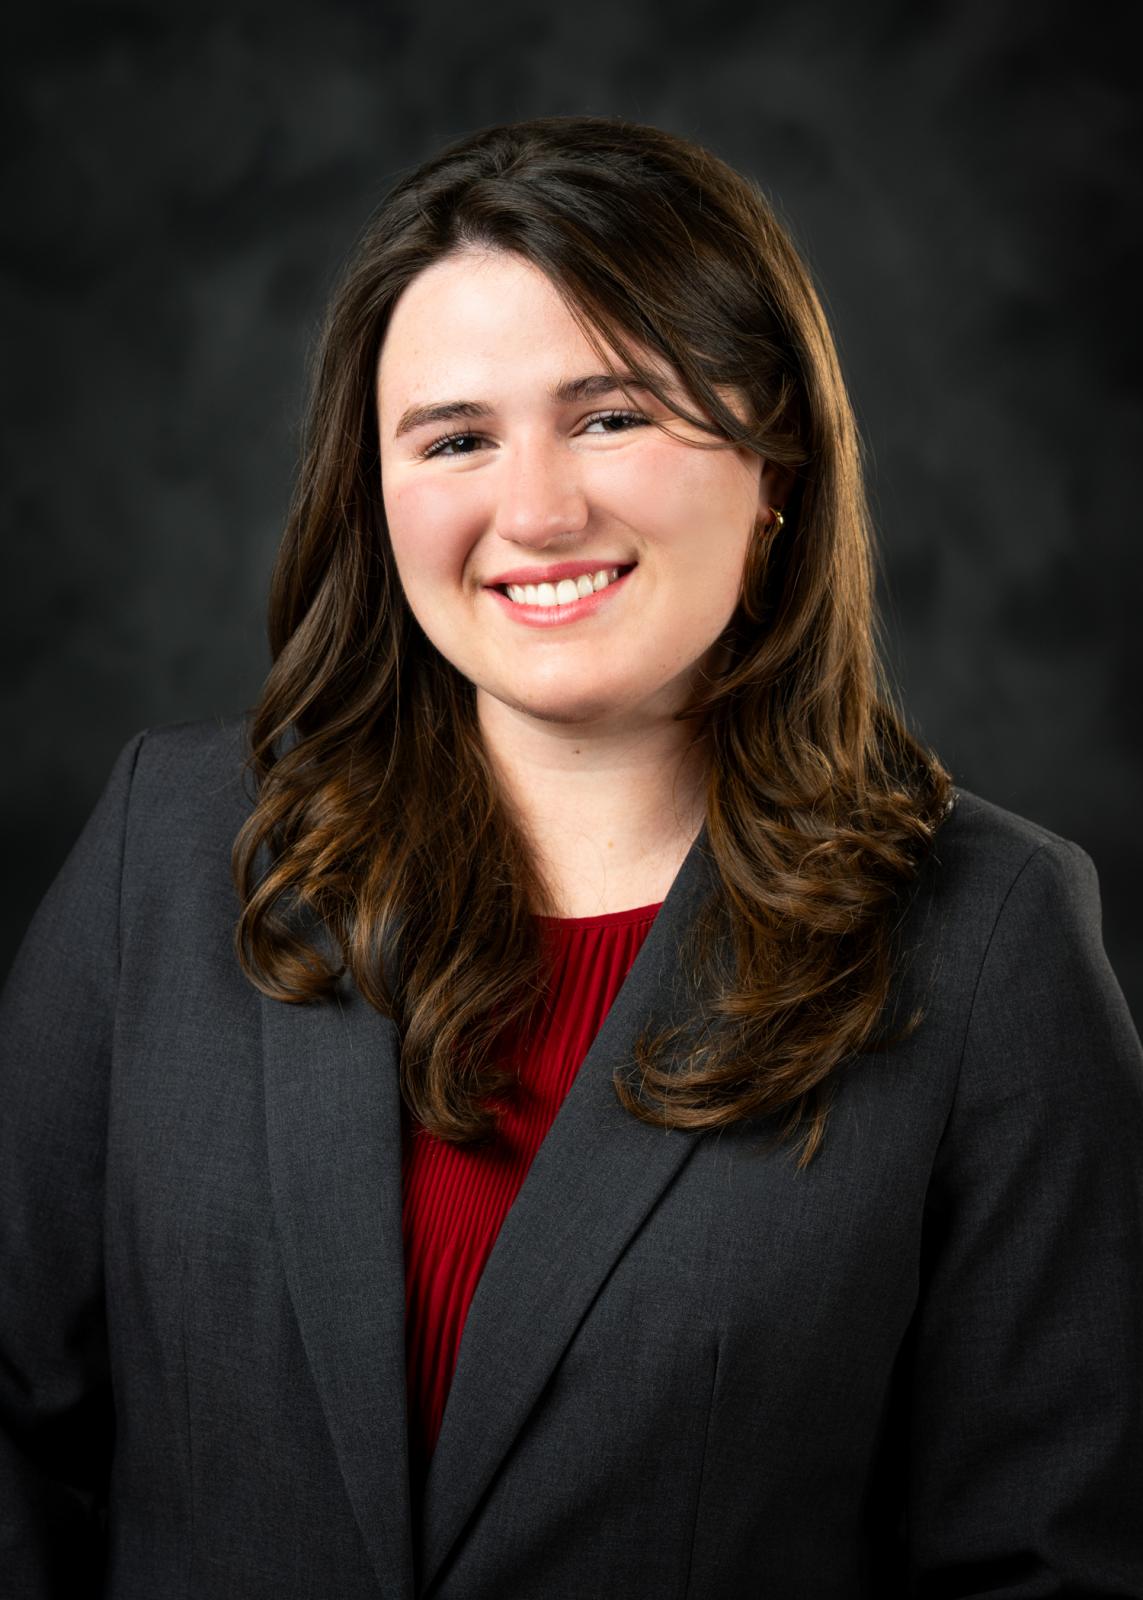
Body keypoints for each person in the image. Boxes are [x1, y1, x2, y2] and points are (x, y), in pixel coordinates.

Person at [1, 113, 1141, 1600]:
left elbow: (1055, 1570)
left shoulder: (991, 939)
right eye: (455, 437)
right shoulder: (173, 845)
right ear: (377, 487)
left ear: (775, 456)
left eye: (610, 415)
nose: (534, 511)